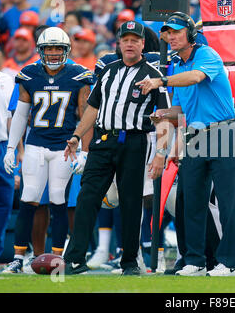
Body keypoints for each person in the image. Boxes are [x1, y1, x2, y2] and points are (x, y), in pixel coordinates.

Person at [138, 11, 235, 277]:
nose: (170, 37)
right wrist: (163, 114)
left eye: (176, 31)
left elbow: (196, 78)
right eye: (168, 33)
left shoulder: (206, 55)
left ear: (190, 34)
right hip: (195, 134)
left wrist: (160, 81)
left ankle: (229, 261)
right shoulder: (178, 65)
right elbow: (182, 109)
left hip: (223, 131)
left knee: (228, 201)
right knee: (190, 199)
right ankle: (194, 259)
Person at [63, 20, 170, 276]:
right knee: (87, 197)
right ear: (119, 43)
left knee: (131, 203)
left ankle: (130, 261)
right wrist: (77, 136)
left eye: (135, 40)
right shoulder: (108, 71)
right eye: (126, 39)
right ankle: (75, 258)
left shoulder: (154, 75)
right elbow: (93, 107)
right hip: (102, 141)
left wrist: (160, 153)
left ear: (143, 44)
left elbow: (165, 115)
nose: (130, 44)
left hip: (134, 141)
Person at [1, 27, 94, 273]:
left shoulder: (78, 75)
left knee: (57, 199)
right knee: (29, 197)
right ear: (41, 50)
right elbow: (21, 114)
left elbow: (86, 114)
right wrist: (11, 148)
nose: (53, 53)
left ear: (66, 50)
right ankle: (19, 258)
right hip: (35, 144)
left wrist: (85, 150)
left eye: (58, 49)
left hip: (64, 147)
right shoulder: (29, 75)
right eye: (49, 49)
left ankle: (56, 257)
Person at [0, 39, 15, 273]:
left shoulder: (6, 80)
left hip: (2, 145)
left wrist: (16, 151)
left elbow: (14, 117)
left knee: (3, 202)